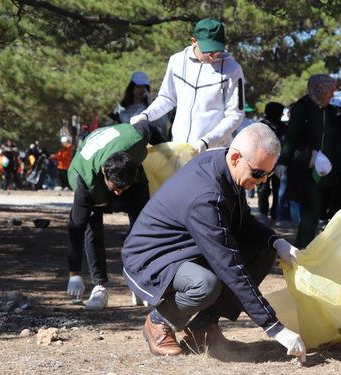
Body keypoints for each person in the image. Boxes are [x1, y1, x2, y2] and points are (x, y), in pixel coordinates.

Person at [121, 123, 306, 360]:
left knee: (263, 250)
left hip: (185, 248)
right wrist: (274, 327)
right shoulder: (206, 196)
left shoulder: (226, 165)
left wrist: (275, 241)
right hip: (150, 258)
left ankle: (201, 327)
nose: (262, 181)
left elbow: (242, 222)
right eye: (258, 173)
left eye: (268, 174)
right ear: (237, 157)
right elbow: (228, 265)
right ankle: (158, 321)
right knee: (205, 284)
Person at [66, 121, 166, 309]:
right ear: (105, 172)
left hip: (127, 164)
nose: (118, 193)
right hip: (93, 174)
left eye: (123, 188)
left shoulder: (136, 141)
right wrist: (74, 273)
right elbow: (75, 227)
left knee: (144, 223)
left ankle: (141, 282)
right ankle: (100, 286)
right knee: (91, 226)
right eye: (115, 188)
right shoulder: (84, 181)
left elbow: (148, 126)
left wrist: (166, 154)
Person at [130, 18, 245, 152]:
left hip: (213, 151)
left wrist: (206, 142)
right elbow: (167, 98)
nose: (213, 56)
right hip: (178, 149)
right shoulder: (176, 61)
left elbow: (235, 115)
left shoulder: (233, 69)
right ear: (194, 41)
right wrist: (145, 116)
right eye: (208, 50)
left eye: (217, 50)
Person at [274, 74, 341, 248]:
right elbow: (291, 137)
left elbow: (336, 141)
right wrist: (283, 162)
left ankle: (312, 246)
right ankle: (304, 246)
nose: (332, 94)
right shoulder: (302, 108)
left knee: (320, 208)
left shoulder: (330, 112)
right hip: (306, 166)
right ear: (320, 89)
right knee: (311, 206)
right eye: (330, 90)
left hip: (326, 169)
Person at [257, 102, 286, 221]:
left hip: (275, 162)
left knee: (274, 188)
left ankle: (273, 213)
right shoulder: (262, 126)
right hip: (265, 162)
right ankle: (265, 212)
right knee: (265, 188)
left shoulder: (282, 126)